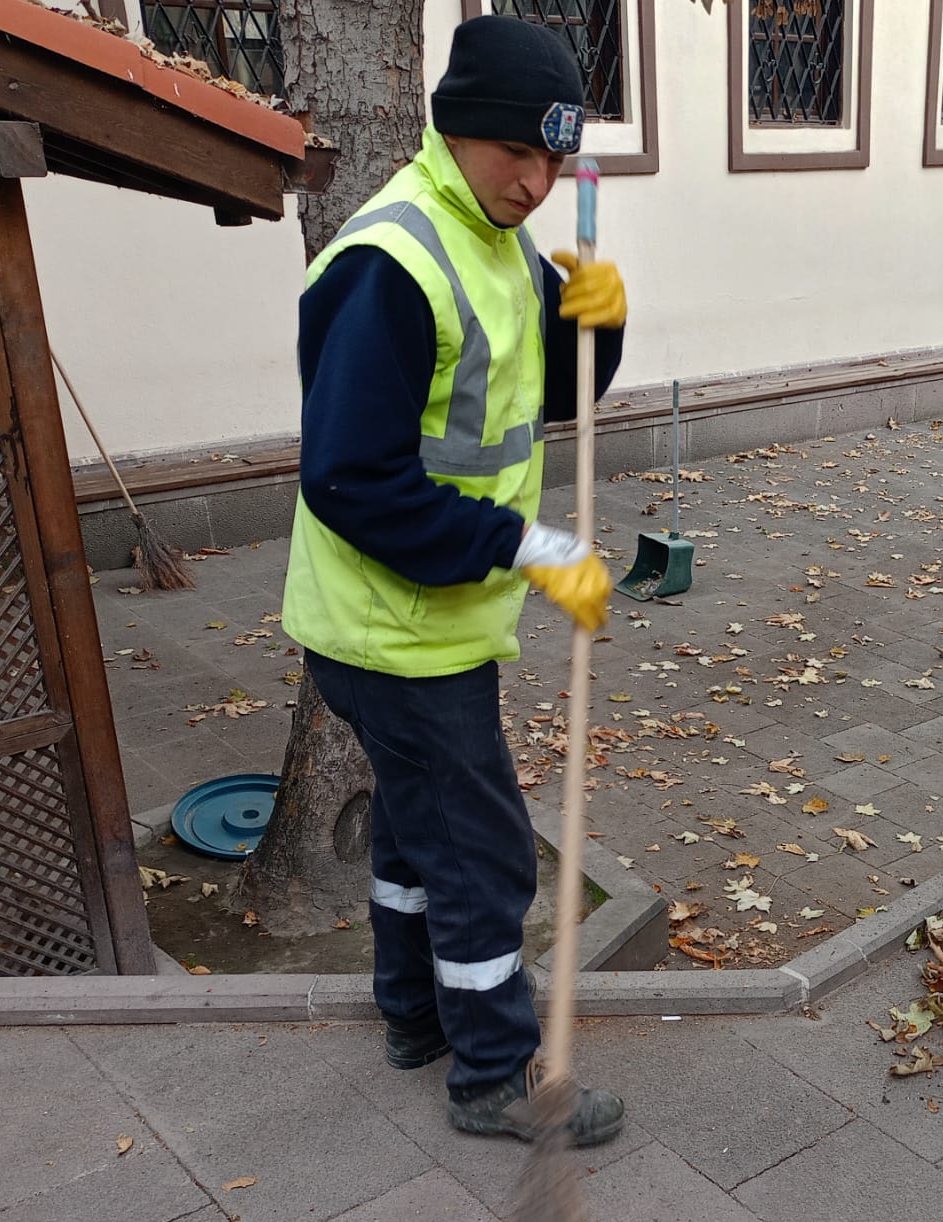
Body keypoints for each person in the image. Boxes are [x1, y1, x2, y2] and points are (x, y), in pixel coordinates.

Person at [281, 13, 627, 1145]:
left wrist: (598, 322)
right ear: (458, 130)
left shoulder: (493, 237)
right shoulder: (392, 262)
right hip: (393, 629)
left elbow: (546, 401)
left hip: (422, 621)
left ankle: (414, 1016)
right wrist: (528, 548)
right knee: (480, 850)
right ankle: (492, 1075)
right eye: (515, 152)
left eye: (553, 160)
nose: (535, 182)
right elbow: (352, 480)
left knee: (415, 831)